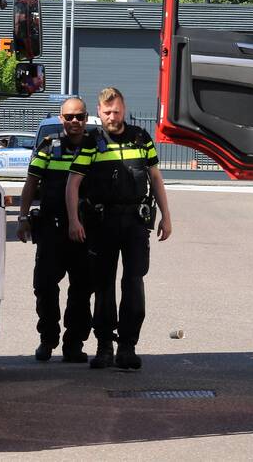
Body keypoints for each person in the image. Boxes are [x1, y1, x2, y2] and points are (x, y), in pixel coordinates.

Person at [66, 87, 172, 370]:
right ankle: (104, 346)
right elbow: (73, 183)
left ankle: (127, 346)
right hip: (102, 224)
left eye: (116, 111)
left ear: (124, 109)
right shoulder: (91, 141)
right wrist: (74, 220)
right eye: (107, 112)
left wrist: (166, 216)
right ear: (99, 113)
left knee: (134, 283)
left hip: (135, 222)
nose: (112, 117)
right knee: (103, 286)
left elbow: (155, 177)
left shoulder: (141, 138)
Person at [16, 97, 94, 362]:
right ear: (62, 119)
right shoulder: (49, 147)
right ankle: (47, 339)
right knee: (45, 287)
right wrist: (22, 217)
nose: (75, 121)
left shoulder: (96, 147)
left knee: (82, 290)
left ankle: (74, 344)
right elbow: (31, 183)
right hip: (51, 229)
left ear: (86, 118)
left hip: (85, 231)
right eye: (69, 117)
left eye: (79, 116)